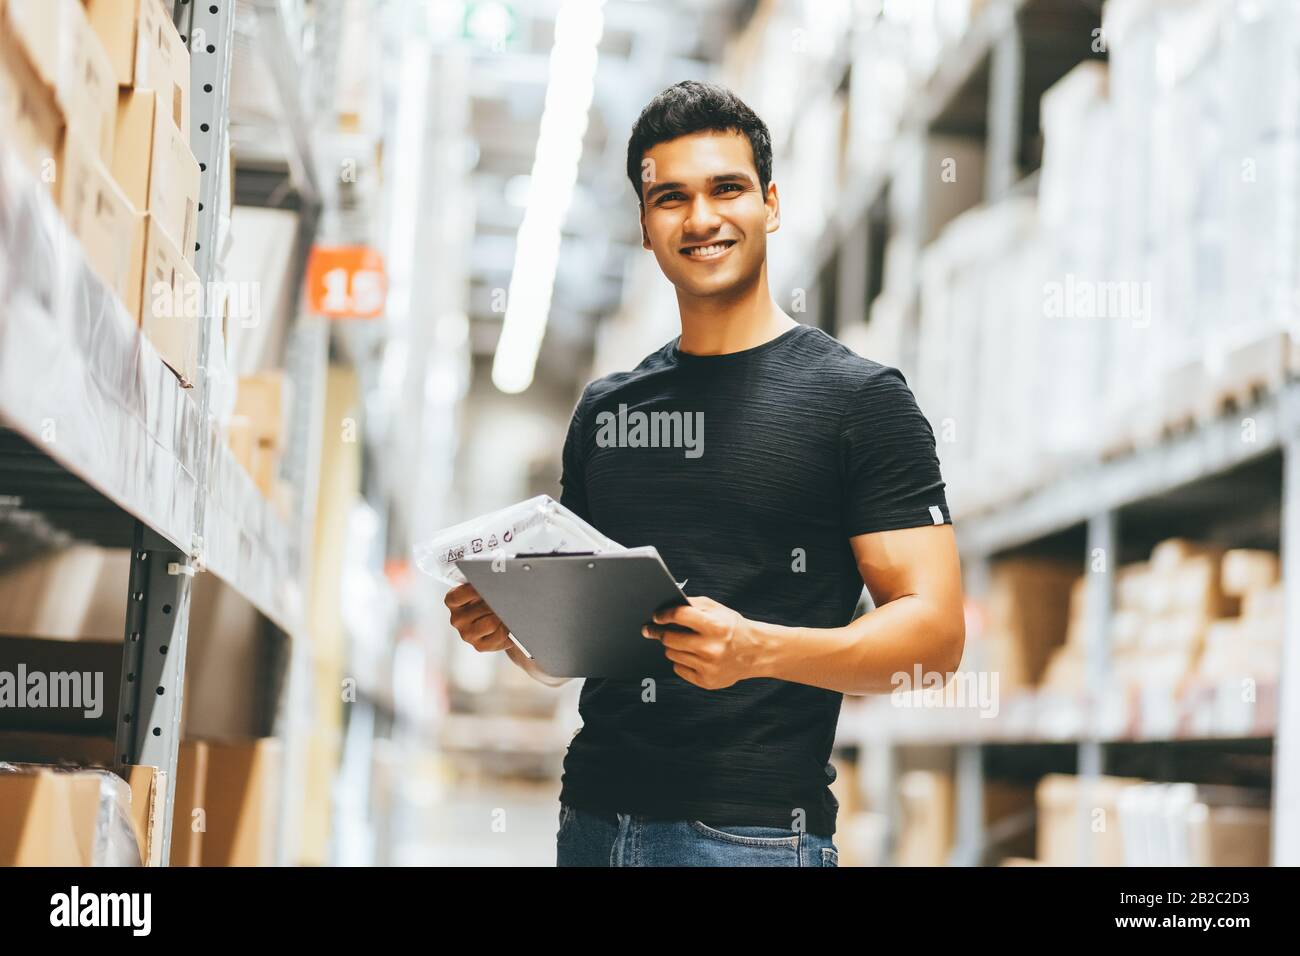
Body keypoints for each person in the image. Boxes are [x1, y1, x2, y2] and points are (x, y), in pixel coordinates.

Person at [444, 80, 965, 867]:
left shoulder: (859, 400)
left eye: (727, 188)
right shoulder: (606, 411)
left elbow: (935, 637)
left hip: (748, 835)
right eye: (671, 199)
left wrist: (759, 651)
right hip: (590, 821)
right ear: (646, 228)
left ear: (773, 204)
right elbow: (584, 646)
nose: (702, 219)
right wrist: (514, 630)